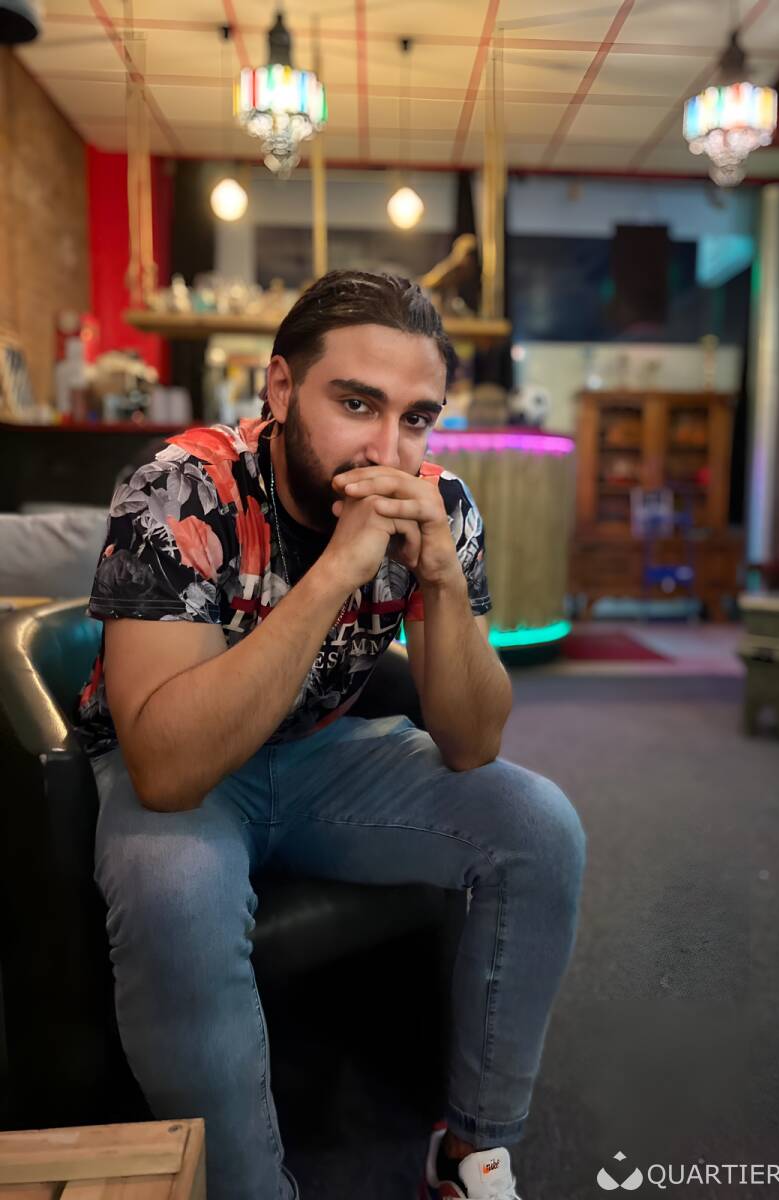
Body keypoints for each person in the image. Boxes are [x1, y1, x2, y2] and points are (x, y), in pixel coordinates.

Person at [76, 270, 586, 1200]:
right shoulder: (179, 489)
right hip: (185, 768)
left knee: (540, 826)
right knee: (174, 887)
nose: (387, 449)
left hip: (321, 755)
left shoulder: (442, 504)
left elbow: (472, 743)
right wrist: (334, 575)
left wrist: (441, 582)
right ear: (280, 388)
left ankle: (470, 1153)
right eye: (356, 404)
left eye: (416, 418)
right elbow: (166, 769)